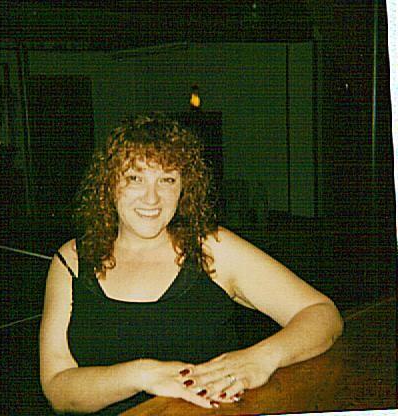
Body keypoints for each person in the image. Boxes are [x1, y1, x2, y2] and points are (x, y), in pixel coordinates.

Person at [39, 112, 343, 415]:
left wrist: (260, 359)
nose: (151, 198)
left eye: (167, 180)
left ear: (184, 187)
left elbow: (322, 314)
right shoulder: (72, 260)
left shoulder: (212, 249)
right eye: (135, 178)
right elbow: (57, 389)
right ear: (108, 184)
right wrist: (140, 375)